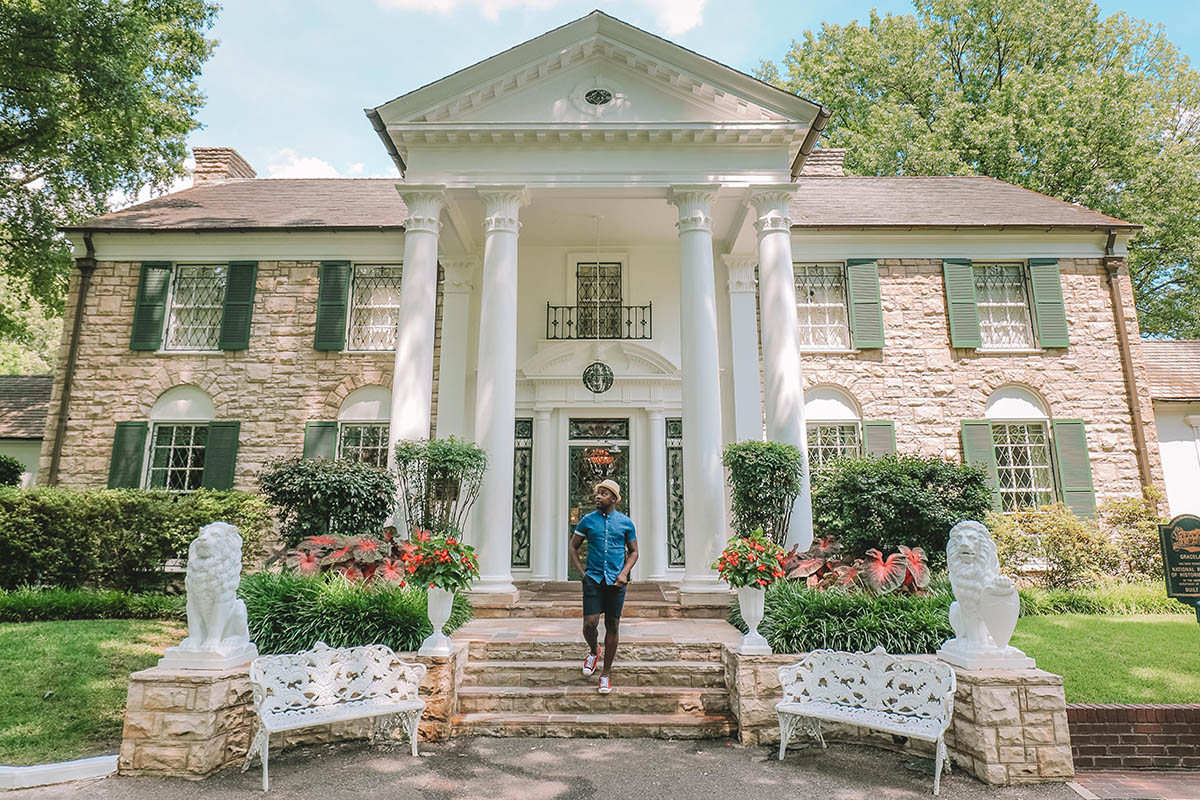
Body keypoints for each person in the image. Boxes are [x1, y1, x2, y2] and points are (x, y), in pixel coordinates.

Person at [569, 478, 638, 694]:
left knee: (612, 625)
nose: (598, 496)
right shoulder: (588, 521)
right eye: (598, 493)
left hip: (616, 582)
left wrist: (624, 573)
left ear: (614, 499)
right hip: (594, 579)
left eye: (604, 493)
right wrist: (583, 574)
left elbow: (634, 551)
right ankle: (593, 650)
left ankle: (606, 674)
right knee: (590, 624)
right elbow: (573, 547)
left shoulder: (626, 523)